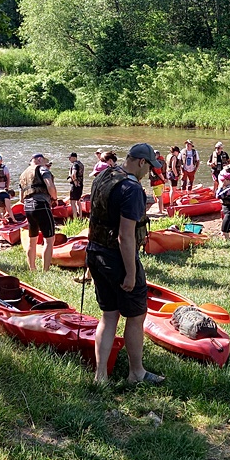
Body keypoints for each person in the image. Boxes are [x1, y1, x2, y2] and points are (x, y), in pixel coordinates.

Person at [87, 143, 165, 385]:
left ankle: (100, 377)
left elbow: (94, 219)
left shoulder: (104, 176)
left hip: (95, 253)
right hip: (117, 259)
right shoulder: (131, 189)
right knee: (136, 315)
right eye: (149, 166)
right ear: (141, 162)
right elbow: (126, 236)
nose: (150, 172)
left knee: (109, 315)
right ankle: (136, 373)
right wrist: (131, 273)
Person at [19, 154, 58, 271]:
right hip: (41, 205)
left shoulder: (23, 174)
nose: (46, 164)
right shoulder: (42, 169)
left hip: (28, 207)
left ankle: (32, 268)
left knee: (32, 240)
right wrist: (55, 198)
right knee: (49, 239)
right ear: (40, 159)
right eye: (45, 161)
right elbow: (50, 186)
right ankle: (45, 270)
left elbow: (21, 198)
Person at [216, 170, 230, 239]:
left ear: (228, 181)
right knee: (229, 229)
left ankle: (228, 241)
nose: (222, 182)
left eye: (223, 180)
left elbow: (218, 196)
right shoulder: (229, 187)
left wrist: (220, 187)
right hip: (229, 211)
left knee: (225, 231)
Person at [148, 150, 166, 217]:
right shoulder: (162, 161)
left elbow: (159, 173)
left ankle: (160, 211)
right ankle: (162, 209)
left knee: (159, 197)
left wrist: (163, 179)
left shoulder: (156, 164)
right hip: (161, 182)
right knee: (160, 196)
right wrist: (164, 179)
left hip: (157, 182)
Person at [67, 152, 85, 218]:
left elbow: (73, 174)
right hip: (81, 184)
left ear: (74, 157)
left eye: (70, 158)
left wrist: (74, 181)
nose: (69, 159)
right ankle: (80, 216)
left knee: (72, 202)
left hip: (75, 185)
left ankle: (75, 218)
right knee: (78, 200)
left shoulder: (75, 165)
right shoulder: (81, 164)